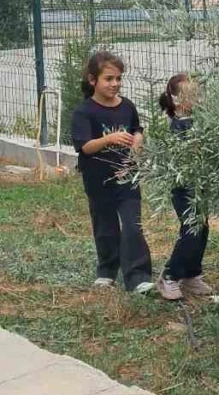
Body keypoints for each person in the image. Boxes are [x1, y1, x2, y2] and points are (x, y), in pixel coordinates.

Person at [71, 51, 153, 293]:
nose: (115, 84)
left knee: (132, 225)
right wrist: (109, 138)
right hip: (98, 180)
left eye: (118, 78)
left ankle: (138, 276)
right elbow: (85, 146)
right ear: (92, 80)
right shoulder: (84, 112)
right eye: (108, 79)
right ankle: (107, 270)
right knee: (105, 226)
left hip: (127, 177)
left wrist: (138, 138)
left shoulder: (126, 106)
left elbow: (137, 127)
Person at [155, 73, 213, 300]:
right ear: (177, 100)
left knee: (203, 228)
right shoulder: (175, 126)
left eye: (199, 94)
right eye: (193, 95)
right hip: (183, 188)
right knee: (190, 231)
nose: (199, 99)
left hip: (200, 186)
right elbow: (179, 157)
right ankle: (169, 276)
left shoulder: (200, 120)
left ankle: (191, 274)